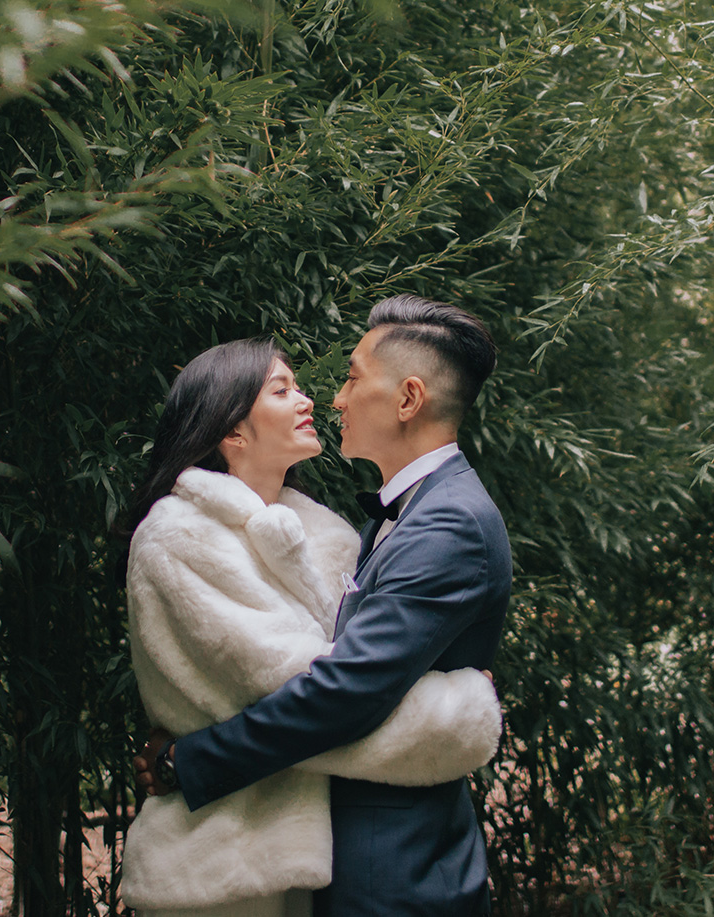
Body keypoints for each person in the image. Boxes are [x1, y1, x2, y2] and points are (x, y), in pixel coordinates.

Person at [137, 296, 510, 917]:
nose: (334, 397)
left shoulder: (449, 524)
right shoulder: (394, 518)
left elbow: (346, 691)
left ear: (408, 399)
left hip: (394, 864)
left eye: (352, 378)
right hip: (335, 852)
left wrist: (191, 760)